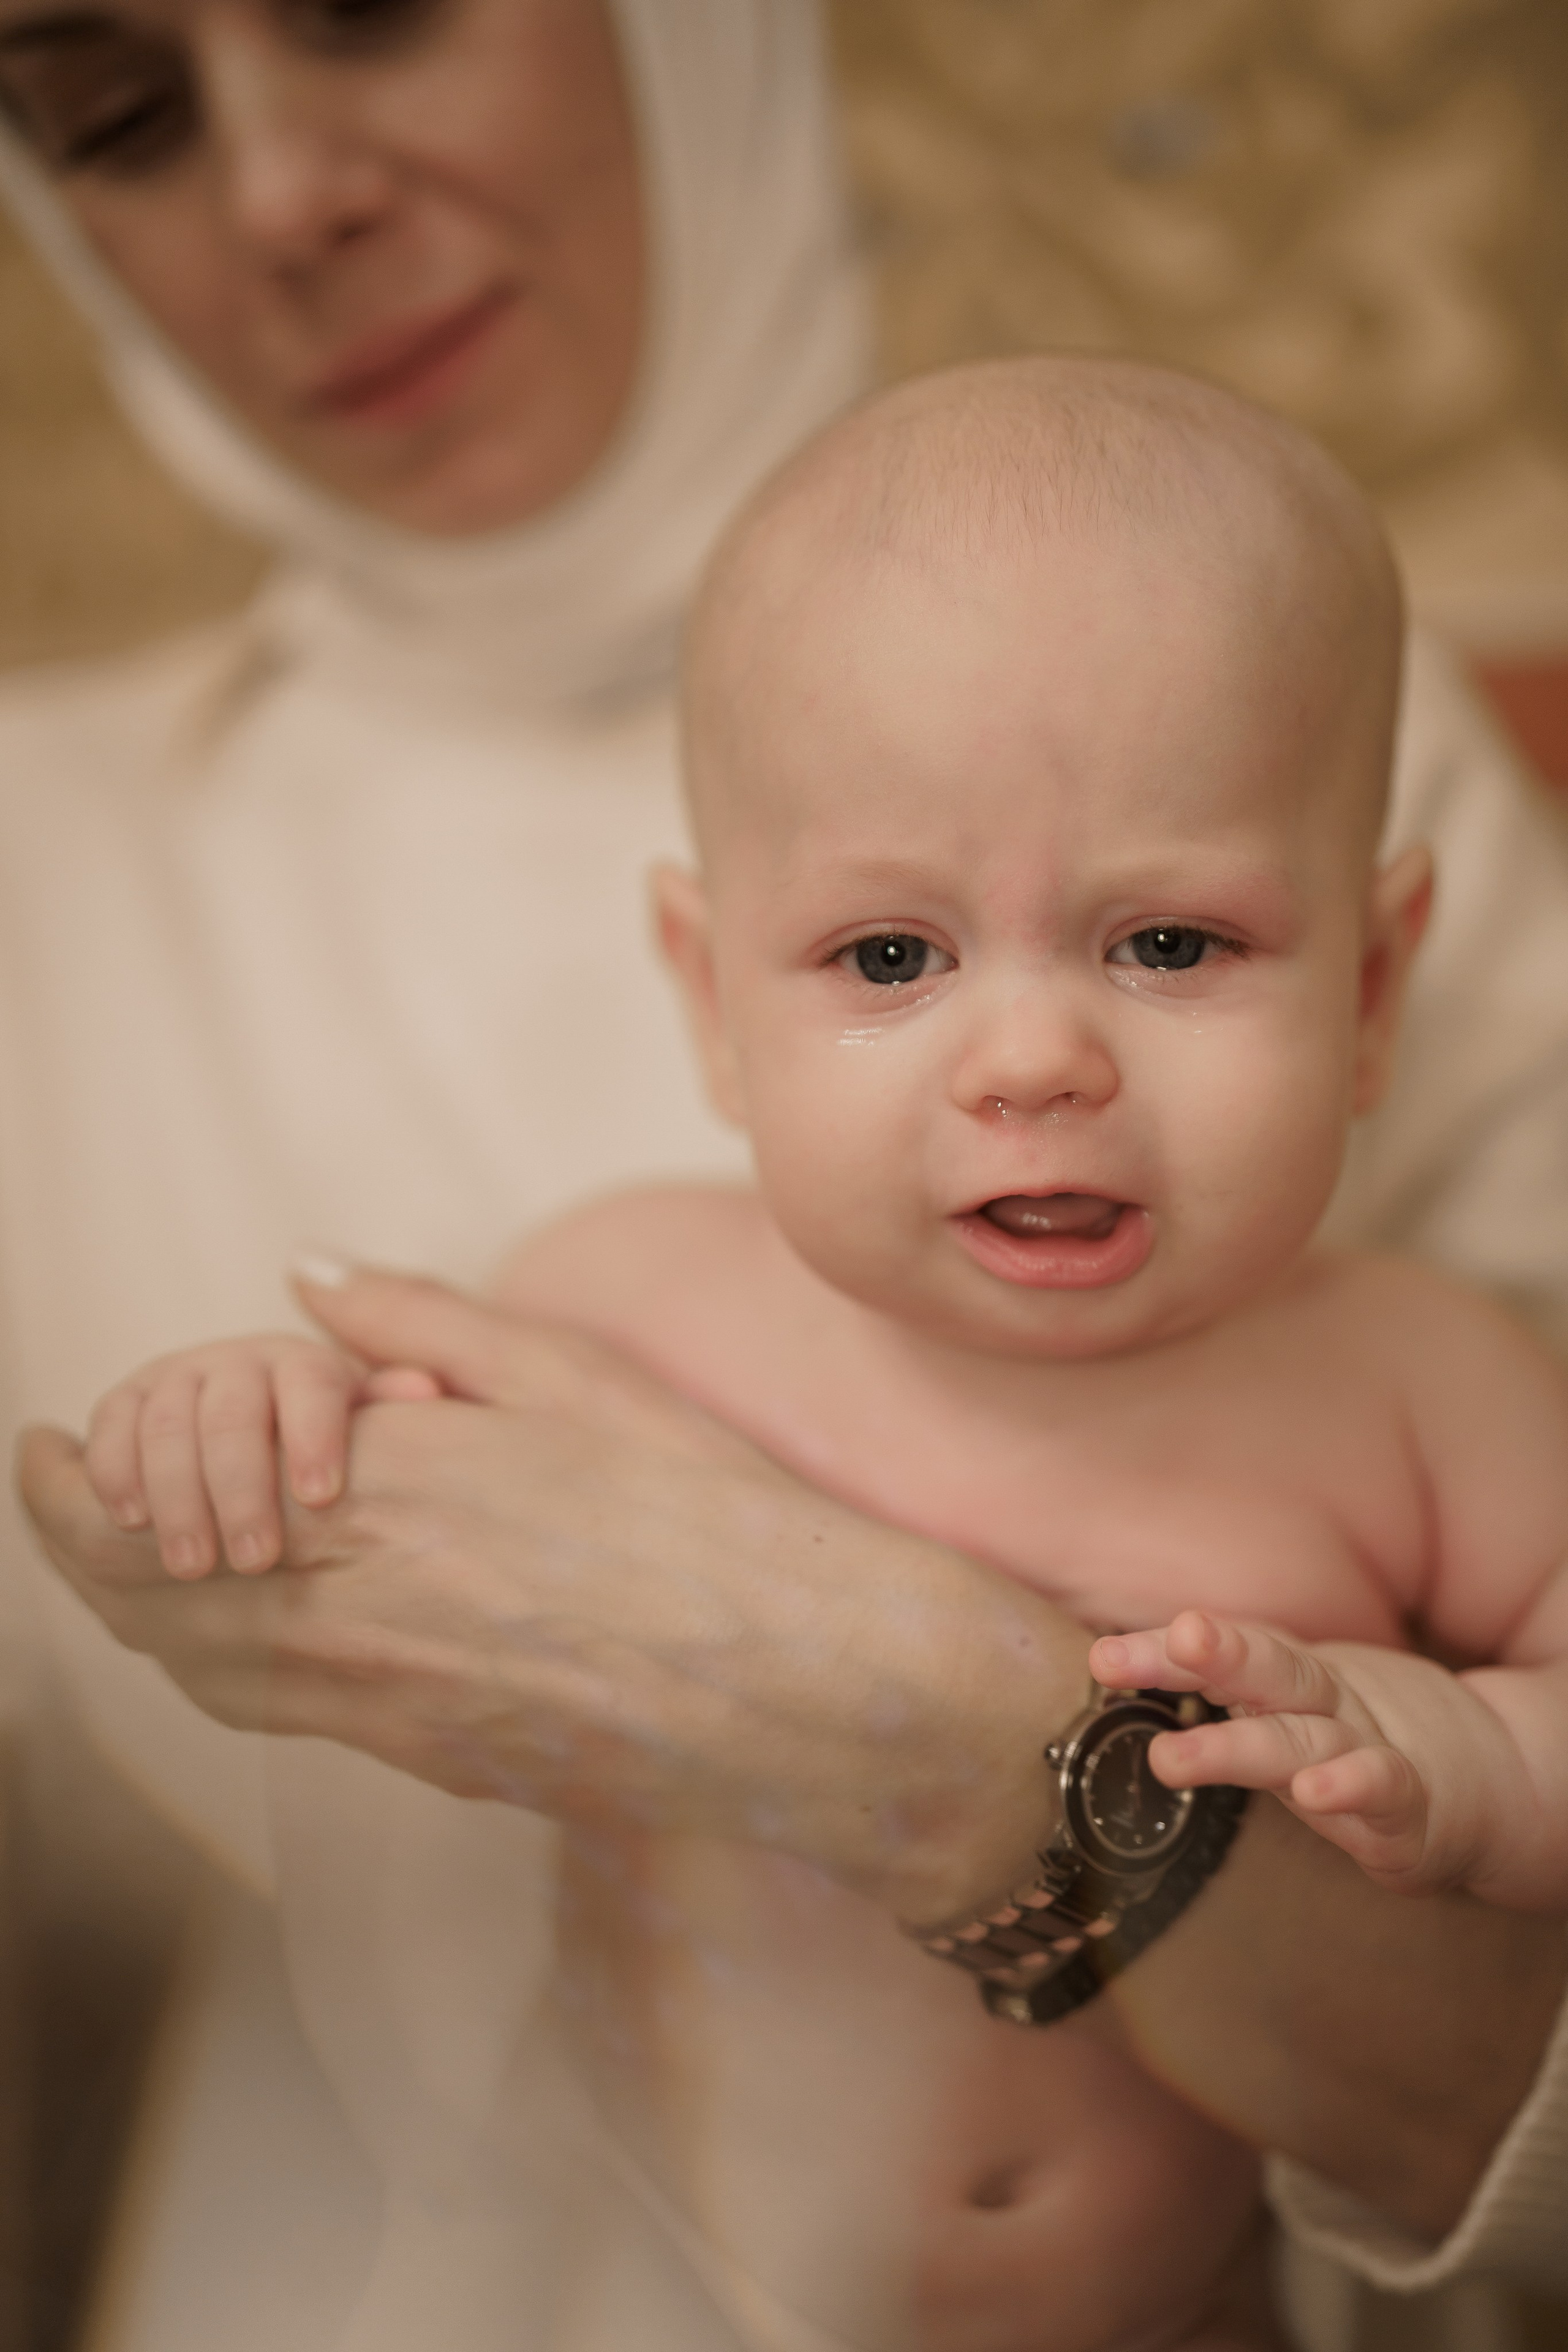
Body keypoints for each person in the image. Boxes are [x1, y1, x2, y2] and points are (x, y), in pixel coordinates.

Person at [0, 4, 1566, 2348]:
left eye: (370, 0)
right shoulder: (559, 1237)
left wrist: (1444, 1758)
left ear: (1371, 981)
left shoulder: (1262, 661)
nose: (1034, 1054)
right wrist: (239, 1420)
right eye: (112, 108)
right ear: (705, 994)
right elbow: (376, 1465)